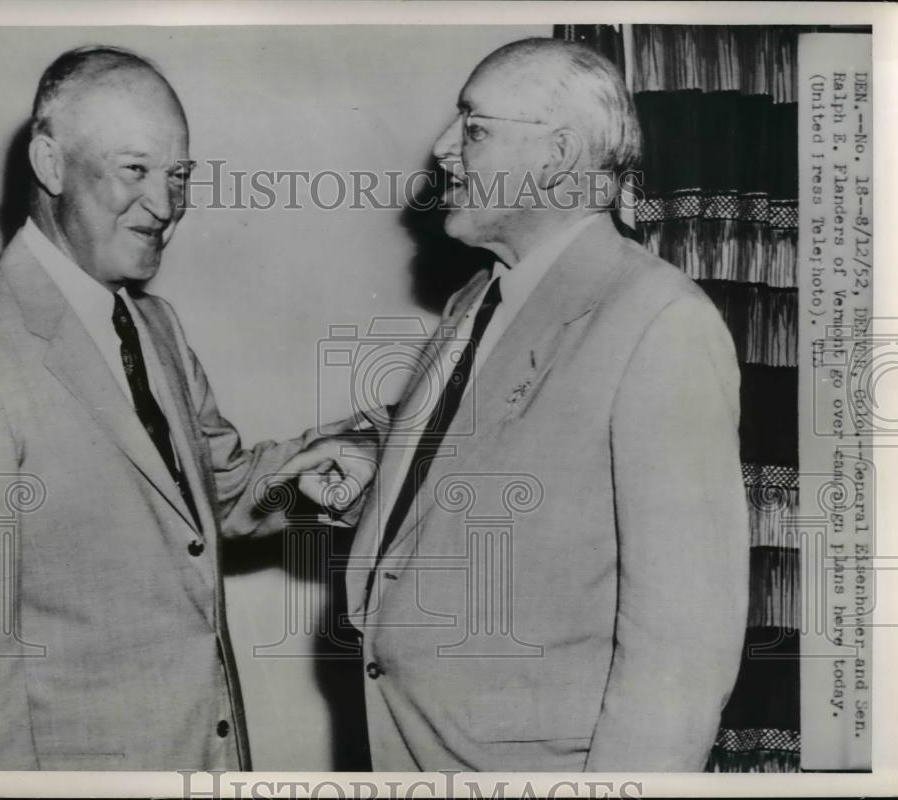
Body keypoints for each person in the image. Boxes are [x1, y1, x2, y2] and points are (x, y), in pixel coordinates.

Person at [299, 37, 750, 772]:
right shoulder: (480, 297)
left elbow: (683, 649)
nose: (443, 149)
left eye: (474, 129)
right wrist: (371, 476)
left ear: (558, 154)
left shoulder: (657, 321)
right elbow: (495, 467)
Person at [0, 46, 367, 771]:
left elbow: (215, 495)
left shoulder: (153, 323)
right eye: (135, 170)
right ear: (51, 164)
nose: (165, 207)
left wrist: (339, 462)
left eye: (180, 176)